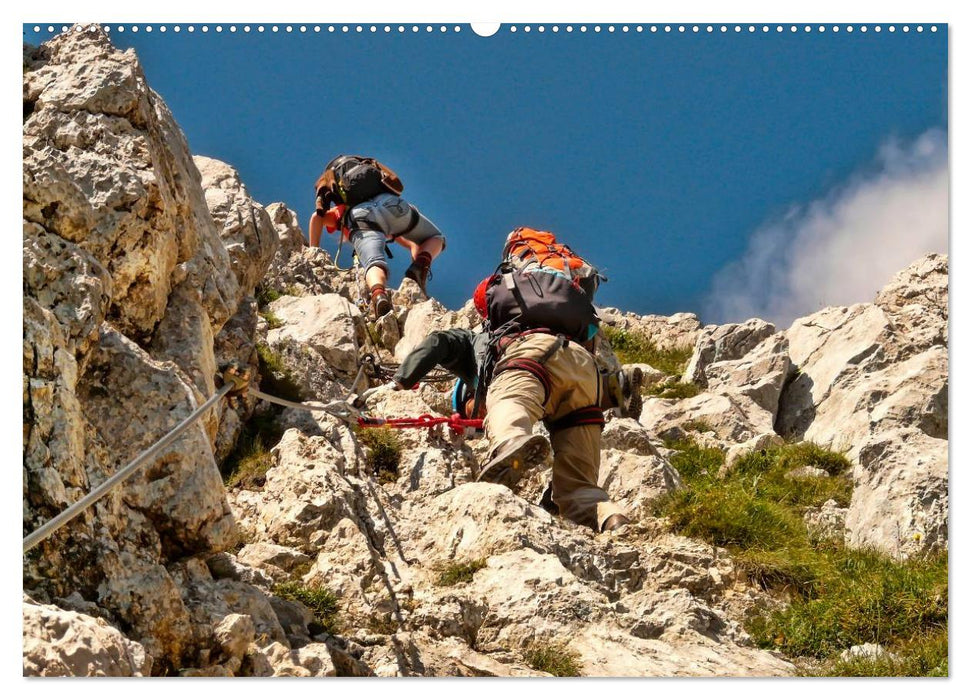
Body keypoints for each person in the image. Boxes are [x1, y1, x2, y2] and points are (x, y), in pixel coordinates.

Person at [393, 275, 633, 533]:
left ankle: (510, 441)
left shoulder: (478, 339)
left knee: (509, 400)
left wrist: (400, 381)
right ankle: (611, 518)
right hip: (583, 368)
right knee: (578, 486)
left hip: (531, 354)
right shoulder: (560, 317)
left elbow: (437, 342)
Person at [308, 155, 446, 319]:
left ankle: (379, 295)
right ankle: (421, 266)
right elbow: (412, 244)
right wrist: (418, 269)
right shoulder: (376, 194)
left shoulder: (342, 210)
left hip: (360, 217)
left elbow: (317, 218)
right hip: (391, 204)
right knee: (435, 237)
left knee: (374, 263)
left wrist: (313, 253)